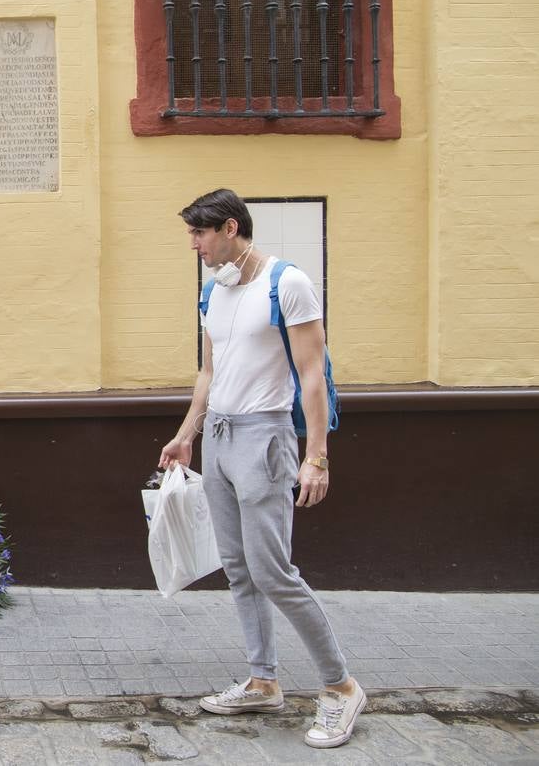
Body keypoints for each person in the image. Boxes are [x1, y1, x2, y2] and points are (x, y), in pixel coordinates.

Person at [158, 189, 364, 750]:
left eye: (200, 234)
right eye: (191, 236)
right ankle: (262, 679)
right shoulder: (213, 289)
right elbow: (208, 372)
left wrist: (316, 455)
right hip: (220, 436)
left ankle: (340, 687)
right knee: (238, 567)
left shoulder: (287, 282)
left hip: (266, 437)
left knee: (273, 570)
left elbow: (313, 374)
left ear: (230, 227)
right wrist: (185, 437)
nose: (194, 245)